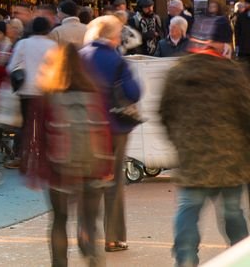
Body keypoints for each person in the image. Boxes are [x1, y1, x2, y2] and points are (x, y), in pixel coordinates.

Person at [160, 15, 250, 267]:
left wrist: (180, 141)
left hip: (192, 157)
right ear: (222, 44)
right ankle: (241, 258)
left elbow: (165, 112)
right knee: (232, 212)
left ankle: (186, 259)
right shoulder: (233, 73)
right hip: (230, 159)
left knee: (188, 209)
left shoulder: (179, 71)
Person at [21, 43, 112, 267]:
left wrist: (32, 169)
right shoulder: (95, 92)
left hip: (58, 171)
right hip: (94, 167)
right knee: (90, 221)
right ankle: (91, 252)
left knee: (59, 221)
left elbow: (35, 138)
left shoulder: (46, 96)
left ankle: (60, 264)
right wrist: (107, 168)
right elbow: (105, 131)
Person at [79, 14, 143, 253]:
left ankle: (86, 237)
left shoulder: (78, 57)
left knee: (87, 181)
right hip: (115, 127)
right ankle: (113, 238)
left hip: (84, 126)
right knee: (114, 182)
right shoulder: (117, 61)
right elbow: (134, 92)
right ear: (114, 36)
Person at [6, 16, 58, 167]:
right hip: (46, 91)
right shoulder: (53, 45)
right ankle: (44, 157)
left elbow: (11, 67)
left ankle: (22, 157)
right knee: (44, 125)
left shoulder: (23, 44)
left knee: (26, 125)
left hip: (26, 90)